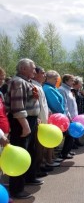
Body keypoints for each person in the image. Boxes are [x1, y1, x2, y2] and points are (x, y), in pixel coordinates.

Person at [5, 58, 43, 199]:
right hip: (20, 122)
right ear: (23, 69)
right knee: (20, 154)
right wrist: (25, 125)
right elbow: (17, 106)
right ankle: (16, 189)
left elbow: (29, 103)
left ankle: (30, 177)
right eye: (32, 68)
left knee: (31, 150)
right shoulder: (17, 82)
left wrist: (35, 117)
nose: (35, 70)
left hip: (29, 120)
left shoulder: (27, 82)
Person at [43, 70, 66, 164]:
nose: (57, 80)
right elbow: (55, 104)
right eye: (55, 79)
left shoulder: (52, 87)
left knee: (52, 139)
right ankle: (49, 160)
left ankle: (52, 157)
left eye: (57, 79)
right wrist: (62, 113)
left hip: (55, 116)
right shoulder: (48, 89)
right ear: (48, 78)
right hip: (54, 117)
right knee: (50, 139)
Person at [58, 74, 78, 159]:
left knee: (71, 135)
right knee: (69, 135)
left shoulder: (69, 90)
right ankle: (64, 153)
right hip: (67, 117)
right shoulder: (62, 90)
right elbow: (65, 105)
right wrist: (69, 117)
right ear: (66, 81)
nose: (73, 82)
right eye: (71, 80)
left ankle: (68, 150)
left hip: (73, 116)